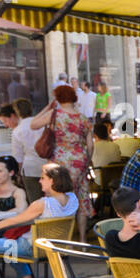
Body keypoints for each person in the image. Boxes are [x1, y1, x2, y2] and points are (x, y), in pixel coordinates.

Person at [29, 85, 94, 240]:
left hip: (59, 159)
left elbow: (33, 124)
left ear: (58, 98)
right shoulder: (83, 118)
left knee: (60, 196)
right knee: (80, 197)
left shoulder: (55, 114)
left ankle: (66, 238)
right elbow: (90, 144)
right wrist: (87, 161)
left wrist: (47, 107)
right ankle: (83, 239)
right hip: (79, 160)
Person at [3, 100, 42, 203]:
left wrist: (18, 174)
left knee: (35, 201)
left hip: (30, 169)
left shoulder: (17, 131)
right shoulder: (42, 123)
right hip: (47, 164)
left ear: (16, 112)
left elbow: (18, 157)